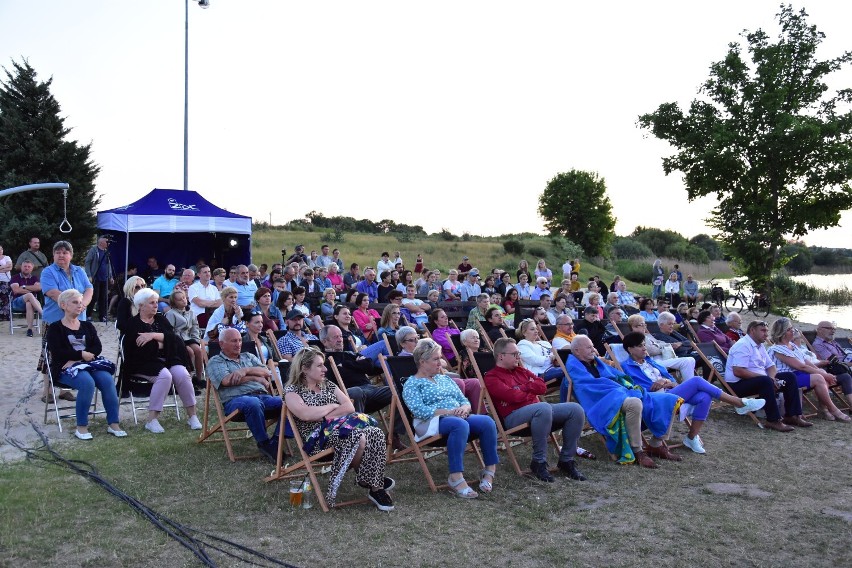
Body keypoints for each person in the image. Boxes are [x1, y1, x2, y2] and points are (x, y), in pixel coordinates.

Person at [284, 347, 395, 510]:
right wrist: (331, 406)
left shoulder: (327, 384)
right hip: (316, 440)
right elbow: (305, 414)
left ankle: (374, 485)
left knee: (375, 432)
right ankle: (371, 481)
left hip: (341, 429)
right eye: (320, 365)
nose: (325, 369)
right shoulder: (292, 391)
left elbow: (349, 407)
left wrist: (323, 414)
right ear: (304, 369)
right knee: (359, 436)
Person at [620, 332, 765, 454]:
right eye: (640, 346)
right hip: (655, 399)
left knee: (704, 396)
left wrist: (666, 381)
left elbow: (671, 380)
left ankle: (691, 437)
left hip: (669, 391)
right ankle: (739, 403)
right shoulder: (626, 367)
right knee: (696, 381)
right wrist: (659, 384)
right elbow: (636, 389)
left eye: (644, 345)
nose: (644, 348)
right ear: (630, 349)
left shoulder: (650, 361)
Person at [402, 339, 499, 499]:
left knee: (487, 422)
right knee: (459, 424)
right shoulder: (412, 384)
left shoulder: (445, 379)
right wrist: (448, 412)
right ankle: (455, 477)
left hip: (457, 417)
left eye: (440, 358)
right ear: (422, 361)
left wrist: (464, 408)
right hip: (431, 422)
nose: (440, 362)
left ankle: (489, 471)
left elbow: (463, 400)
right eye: (435, 359)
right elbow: (419, 411)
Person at [565, 335, 681, 468]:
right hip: (602, 402)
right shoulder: (574, 366)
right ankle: (638, 451)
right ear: (577, 350)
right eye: (589, 347)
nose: (593, 349)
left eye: (592, 346)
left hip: (619, 393)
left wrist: (621, 386)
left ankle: (656, 445)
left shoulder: (597, 362)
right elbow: (589, 387)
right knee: (635, 403)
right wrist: (617, 388)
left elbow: (614, 375)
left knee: (671, 399)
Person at [485, 338, 586, 481]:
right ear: (501, 356)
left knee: (575, 409)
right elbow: (512, 396)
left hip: (539, 413)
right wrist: (528, 387)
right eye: (514, 354)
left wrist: (522, 388)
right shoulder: (492, 377)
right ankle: (538, 462)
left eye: (518, 353)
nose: (518, 357)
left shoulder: (521, 371)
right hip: (514, 417)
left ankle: (566, 460)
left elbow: (542, 386)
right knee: (543, 407)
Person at [46, 289, 126, 440]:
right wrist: (80, 355)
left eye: (80, 303)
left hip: (89, 364)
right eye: (75, 302)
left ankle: (113, 423)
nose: (79, 306)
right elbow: (57, 351)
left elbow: (97, 347)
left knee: (108, 379)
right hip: (64, 367)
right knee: (87, 382)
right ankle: (81, 426)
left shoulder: (87, 326)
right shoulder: (55, 328)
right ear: (63, 305)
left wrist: (80, 358)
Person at [124, 288, 200, 433]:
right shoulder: (133, 324)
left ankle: (192, 416)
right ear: (141, 306)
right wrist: (164, 341)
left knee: (182, 374)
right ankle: (152, 420)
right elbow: (143, 350)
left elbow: (176, 340)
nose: (155, 306)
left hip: (168, 358)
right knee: (165, 376)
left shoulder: (160, 319)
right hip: (143, 362)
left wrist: (152, 336)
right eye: (152, 303)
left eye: (156, 302)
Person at [207, 327, 282, 461]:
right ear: (221, 344)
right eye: (234, 341)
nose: (238, 344)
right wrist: (255, 377)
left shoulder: (249, 356)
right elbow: (226, 380)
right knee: (252, 402)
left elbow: (266, 372)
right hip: (235, 401)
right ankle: (264, 443)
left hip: (262, 396)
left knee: (288, 402)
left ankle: (276, 441)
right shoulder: (216, 361)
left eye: (240, 340)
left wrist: (245, 370)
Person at [724, 320, 810, 432]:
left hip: (759, 380)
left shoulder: (760, 346)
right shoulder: (743, 345)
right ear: (752, 330)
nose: (766, 334)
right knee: (765, 381)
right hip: (737, 384)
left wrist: (773, 378)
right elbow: (738, 371)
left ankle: (792, 415)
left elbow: (771, 366)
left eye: (767, 331)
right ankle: (773, 420)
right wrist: (767, 379)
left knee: (790, 377)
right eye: (763, 331)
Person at [39, 241, 94, 402]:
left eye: (65, 252)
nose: (61, 255)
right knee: (50, 355)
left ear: (71, 255)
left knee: (73, 352)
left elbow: (89, 288)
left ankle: (64, 390)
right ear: (53, 255)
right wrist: (73, 304)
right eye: (58, 252)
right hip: (54, 321)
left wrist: (83, 303)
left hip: (77, 322)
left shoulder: (79, 271)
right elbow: (53, 293)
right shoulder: (48, 272)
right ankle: (47, 391)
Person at [767, 318, 849, 422]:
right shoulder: (777, 349)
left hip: (798, 374)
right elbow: (801, 366)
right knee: (819, 378)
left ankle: (823, 410)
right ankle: (834, 410)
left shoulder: (792, 345)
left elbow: (805, 361)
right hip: (786, 378)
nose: (793, 331)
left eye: (792, 328)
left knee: (822, 375)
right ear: (782, 332)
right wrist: (822, 374)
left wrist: (823, 372)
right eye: (789, 329)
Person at [627, 314, 696, 380]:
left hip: (663, 359)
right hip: (652, 362)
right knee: (687, 361)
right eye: (642, 325)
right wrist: (663, 348)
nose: (645, 327)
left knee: (690, 360)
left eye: (645, 324)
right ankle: (690, 385)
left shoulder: (647, 335)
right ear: (634, 327)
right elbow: (650, 350)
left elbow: (660, 343)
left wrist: (664, 346)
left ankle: (689, 384)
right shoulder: (634, 338)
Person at [164, 289, 206, 385]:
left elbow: (195, 327)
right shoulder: (171, 314)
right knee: (190, 352)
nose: (183, 300)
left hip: (188, 338)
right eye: (180, 300)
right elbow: (170, 331)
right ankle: (188, 381)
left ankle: (198, 379)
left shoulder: (191, 313)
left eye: (184, 298)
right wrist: (178, 341)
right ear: (174, 303)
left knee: (198, 350)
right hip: (177, 340)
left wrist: (196, 340)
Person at [515, 318, 566, 387]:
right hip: (539, 374)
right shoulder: (522, 345)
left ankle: (568, 397)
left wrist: (555, 358)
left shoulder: (544, 343)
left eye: (536, 329)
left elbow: (555, 355)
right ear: (524, 333)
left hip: (554, 368)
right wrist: (551, 358)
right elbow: (535, 360)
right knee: (569, 371)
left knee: (570, 373)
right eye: (532, 329)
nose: (536, 331)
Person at [82, 236, 113, 322]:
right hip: (96, 278)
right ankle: (88, 315)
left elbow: (108, 264)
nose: (108, 243)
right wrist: (89, 275)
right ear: (101, 242)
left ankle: (102, 316)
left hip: (104, 278)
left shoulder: (106, 251)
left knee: (103, 297)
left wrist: (110, 276)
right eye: (107, 242)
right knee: (94, 297)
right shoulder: (94, 250)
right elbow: (87, 262)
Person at [9, 259, 43, 336]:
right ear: (21, 267)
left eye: (29, 267)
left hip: (31, 303)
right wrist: (30, 290)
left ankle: (29, 330)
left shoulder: (34, 278)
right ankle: (43, 314)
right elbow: (16, 290)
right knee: (30, 295)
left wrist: (24, 287)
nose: (26, 268)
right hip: (17, 303)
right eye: (25, 266)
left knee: (29, 303)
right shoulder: (15, 277)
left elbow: (38, 288)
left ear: (32, 268)